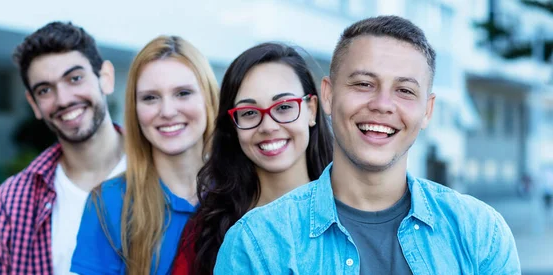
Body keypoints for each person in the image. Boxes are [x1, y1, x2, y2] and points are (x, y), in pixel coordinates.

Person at [215, 15, 521, 274]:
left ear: (427, 111)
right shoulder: (257, 243)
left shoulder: (481, 233)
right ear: (329, 95)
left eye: (404, 90)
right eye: (363, 84)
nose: (382, 104)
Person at [171, 42, 333, 275]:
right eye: (248, 113)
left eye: (284, 106)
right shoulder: (206, 230)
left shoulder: (350, 213)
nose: (268, 126)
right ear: (233, 126)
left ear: (311, 110)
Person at [0, 22, 126, 275]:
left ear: (105, 78)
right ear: (34, 103)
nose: (63, 99)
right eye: (45, 89)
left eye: (75, 78)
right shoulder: (13, 200)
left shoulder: (163, 169)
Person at [70, 35, 219, 275]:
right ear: (135, 110)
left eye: (183, 93)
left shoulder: (243, 192)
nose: (168, 111)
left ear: (209, 98)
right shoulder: (108, 203)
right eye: (150, 97)